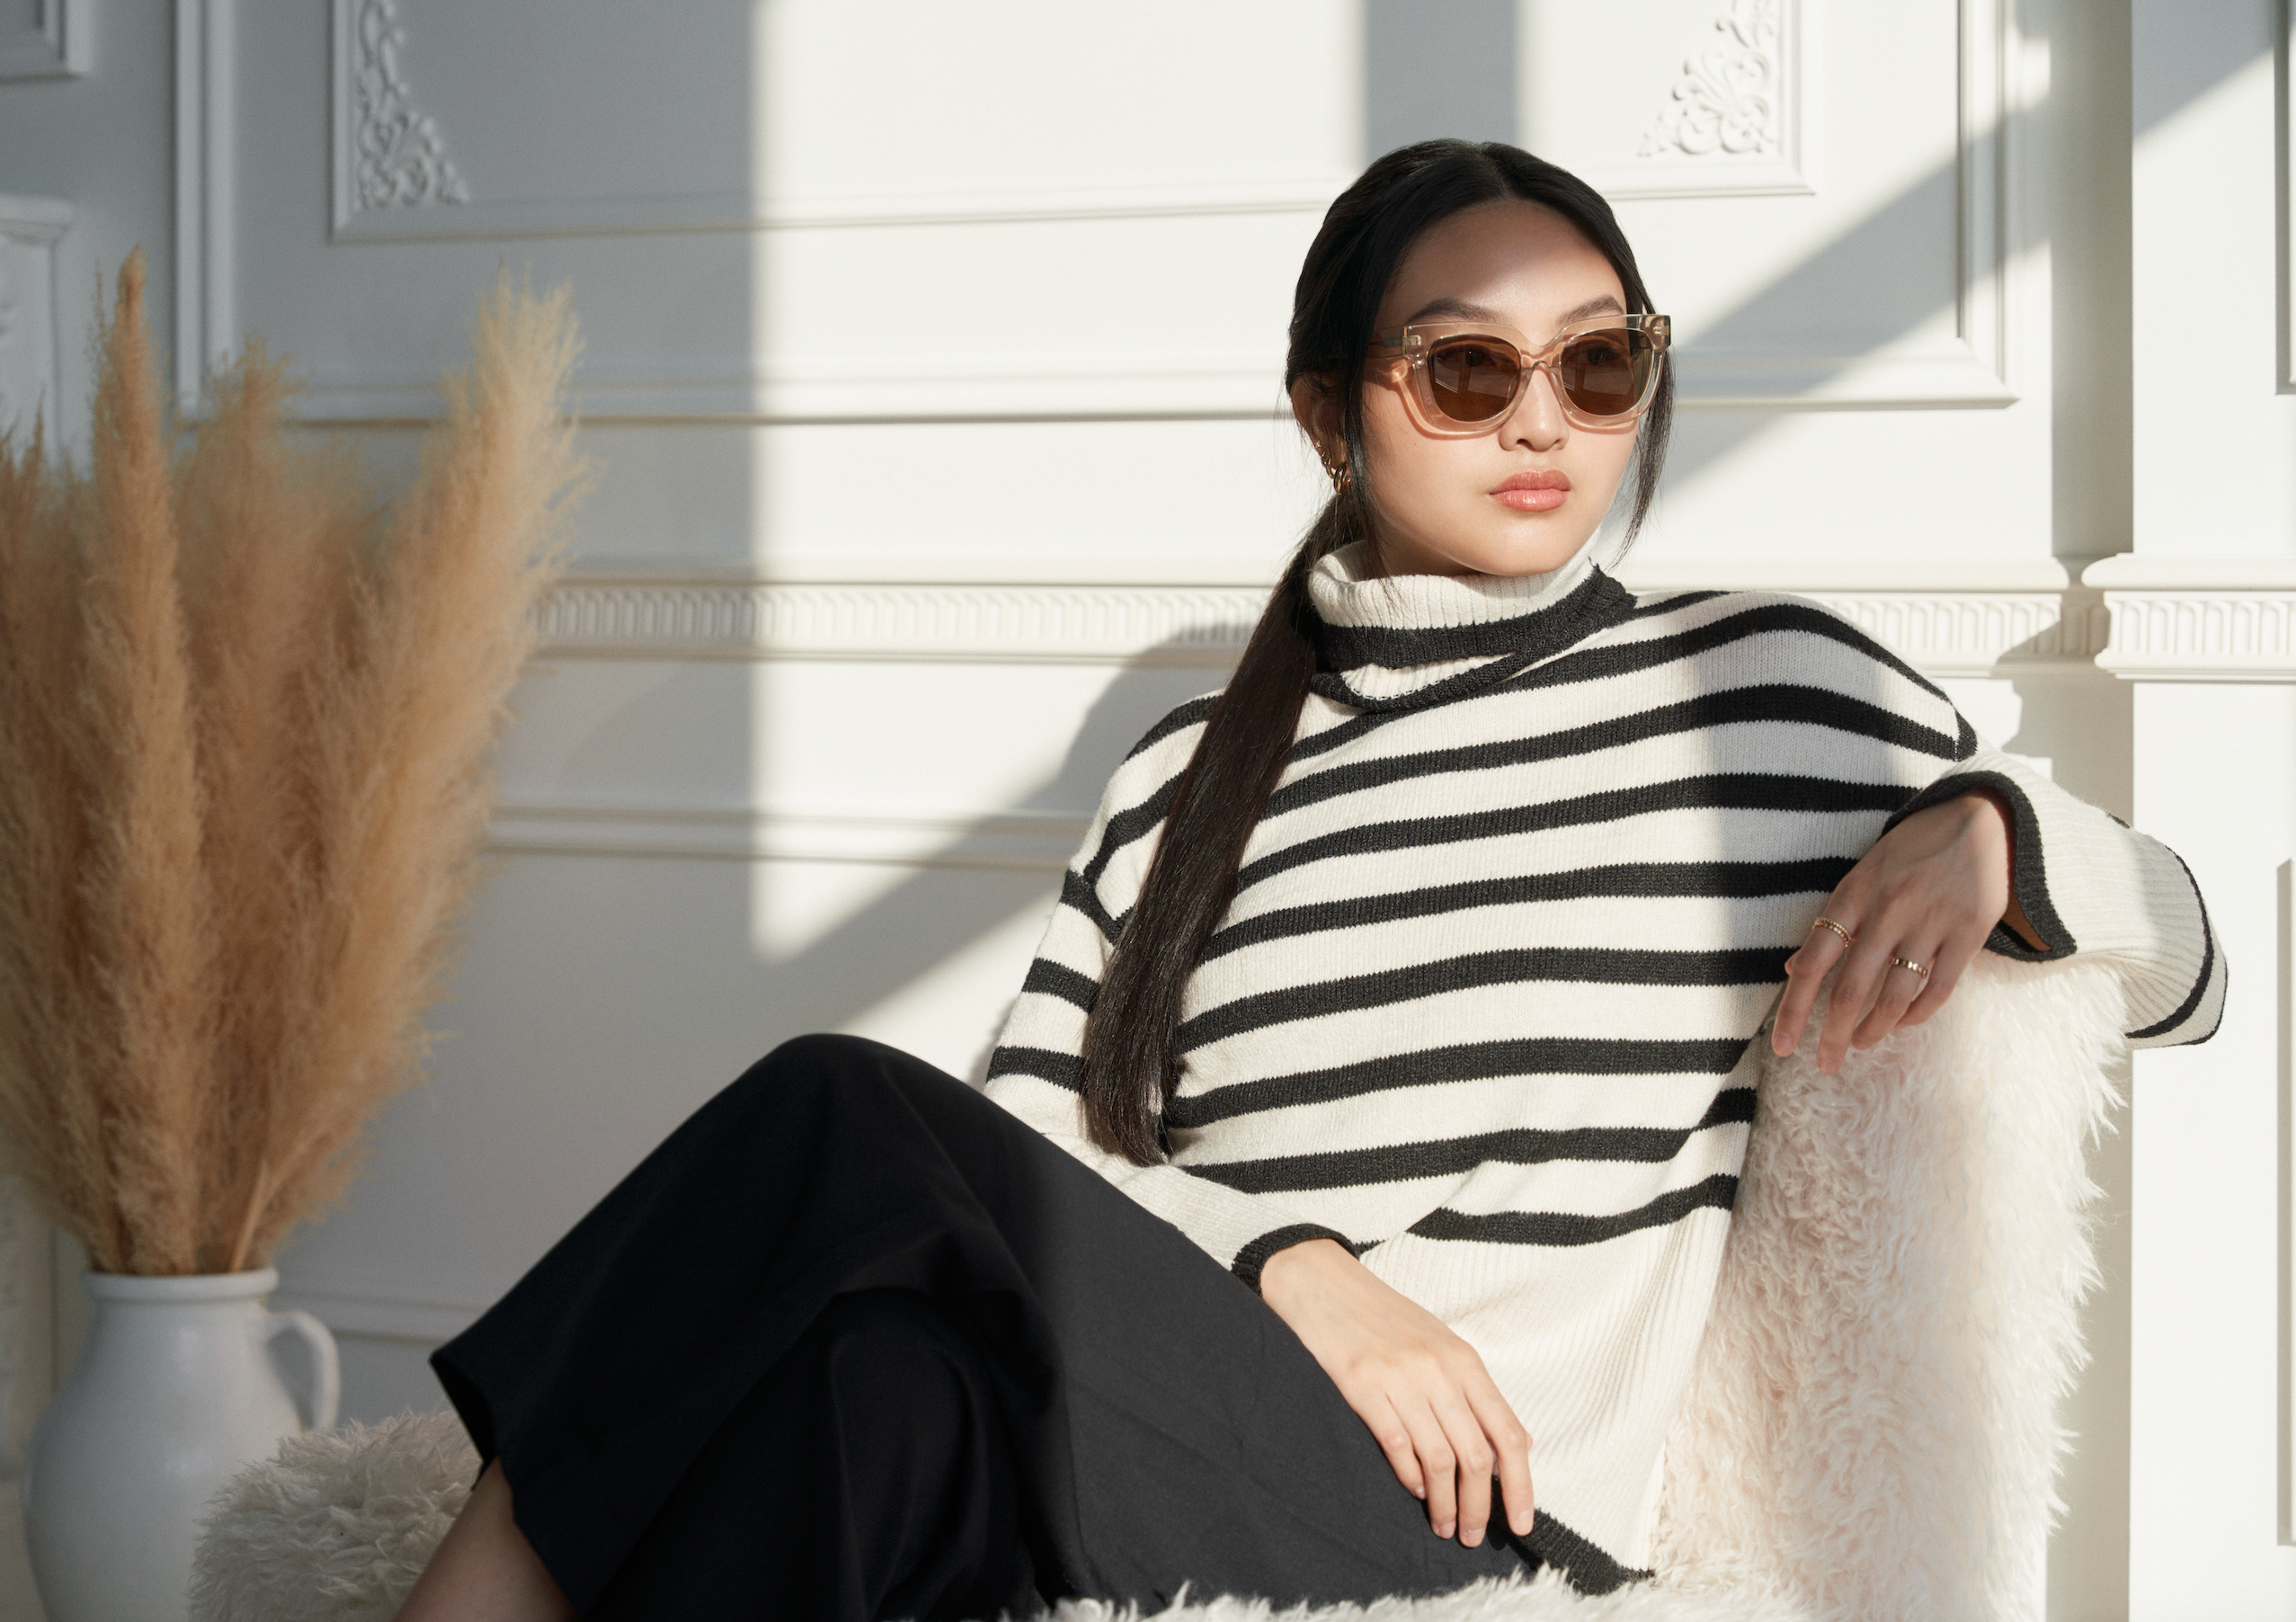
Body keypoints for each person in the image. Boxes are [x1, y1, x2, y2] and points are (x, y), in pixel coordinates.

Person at [398, 140, 2222, 1622]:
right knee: (867, 1378)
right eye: (1466, 368)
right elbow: (1032, 1140)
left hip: (1474, 1524)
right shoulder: (1188, 773)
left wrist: (1992, 826)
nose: (1542, 422)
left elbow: (2190, 955)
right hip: (1186, 1430)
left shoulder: (1754, 695)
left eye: (1598, 363)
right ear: (1330, 412)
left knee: (829, 1104)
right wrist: (1299, 1271)